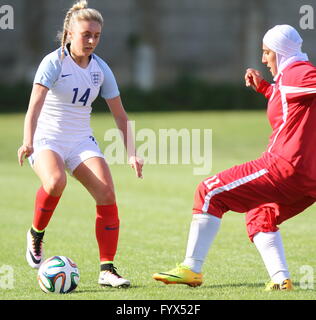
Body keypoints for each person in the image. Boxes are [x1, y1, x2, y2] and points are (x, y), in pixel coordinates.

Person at [153, 24, 316, 291]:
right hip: (308, 180)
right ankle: (280, 279)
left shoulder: (298, 74)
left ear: (281, 52)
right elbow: (292, 101)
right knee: (260, 213)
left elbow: (301, 85)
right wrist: (264, 87)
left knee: (208, 192)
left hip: (285, 168)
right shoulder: (289, 79)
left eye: (267, 52)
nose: (263, 59)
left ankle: (191, 268)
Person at [18, 0, 143, 288]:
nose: (91, 41)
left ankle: (107, 269)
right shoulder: (53, 62)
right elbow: (34, 107)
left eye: (96, 36)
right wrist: (28, 142)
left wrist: (133, 154)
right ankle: (36, 235)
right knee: (55, 182)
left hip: (80, 140)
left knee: (107, 194)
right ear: (69, 33)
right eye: (86, 34)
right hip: (47, 137)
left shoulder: (100, 69)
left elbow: (120, 116)